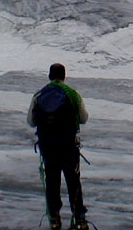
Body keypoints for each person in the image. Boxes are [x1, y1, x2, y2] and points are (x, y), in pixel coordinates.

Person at [27, 63, 89, 230]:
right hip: (68, 147)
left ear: (49, 76)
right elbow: (83, 118)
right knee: (73, 182)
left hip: (48, 147)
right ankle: (80, 219)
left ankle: (54, 217)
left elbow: (31, 122)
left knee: (52, 181)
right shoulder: (73, 94)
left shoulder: (39, 95)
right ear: (64, 76)